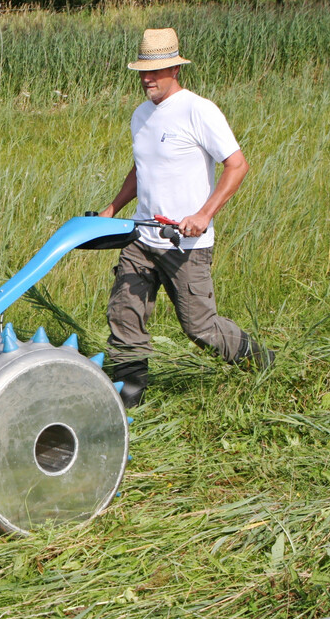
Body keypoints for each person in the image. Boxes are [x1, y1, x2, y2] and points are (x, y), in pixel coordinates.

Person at [98, 27, 273, 408]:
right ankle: (128, 396)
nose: (147, 79)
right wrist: (113, 208)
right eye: (142, 71)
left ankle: (261, 361)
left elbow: (237, 166)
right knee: (124, 313)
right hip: (143, 237)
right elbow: (140, 168)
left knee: (200, 328)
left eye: (155, 71)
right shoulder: (140, 115)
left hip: (186, 243)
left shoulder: (199, 110)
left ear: (175, 70)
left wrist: (204, 214)